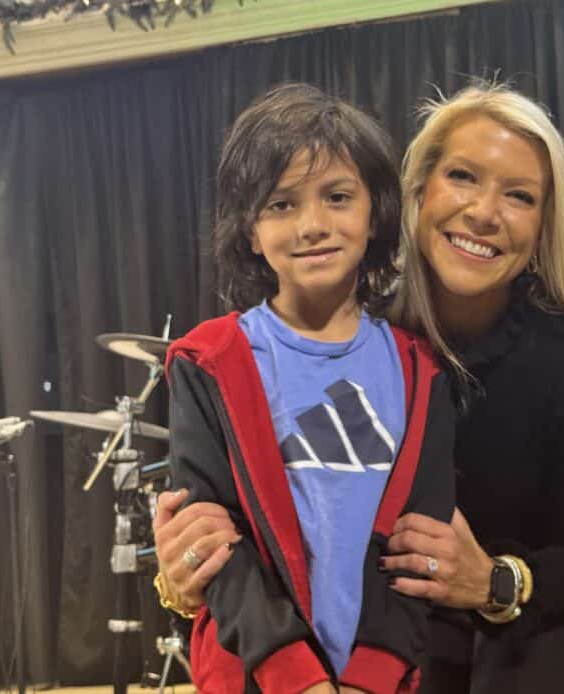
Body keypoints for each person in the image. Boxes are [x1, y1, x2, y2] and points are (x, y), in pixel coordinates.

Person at [155, 82, 564, 693]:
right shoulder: (349, 324)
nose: (484, 212)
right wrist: (180, 578)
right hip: (378, 633)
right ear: (415, 192)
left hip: (525, 629)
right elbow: (245, 535)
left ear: (544, 225)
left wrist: (494, 582)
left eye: (519, 195)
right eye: (463, 177)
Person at [158, 82, 456, 694]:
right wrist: (296, 678)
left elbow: (418, 546)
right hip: (254, 680)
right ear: (249, 230)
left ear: (374, 212)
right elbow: (215, 546)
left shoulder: (422, 370)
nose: (313, 225)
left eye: (337, 197)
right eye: (281, 204)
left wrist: (370, 678)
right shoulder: (208, 362)